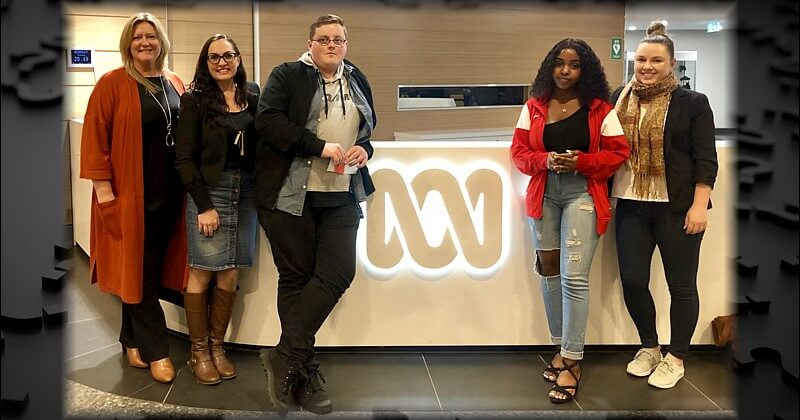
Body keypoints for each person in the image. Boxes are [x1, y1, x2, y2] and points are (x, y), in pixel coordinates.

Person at [254, 14, 375, 414]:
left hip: (341, 195)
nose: (332, 45)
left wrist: (365, 150)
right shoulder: (288, 74)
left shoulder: (356, 78)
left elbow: (365, 131)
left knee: (339, 272)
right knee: (297, 278)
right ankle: (303, 373)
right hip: (291, 196)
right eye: (323, 39)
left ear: (346, 44)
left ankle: (284, 354)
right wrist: (317, 146)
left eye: (339, 39)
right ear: (310, 43)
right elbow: (268, 121)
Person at [510, 38, 629, 403]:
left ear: (585, 70)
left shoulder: (600, 109)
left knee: (574, 277)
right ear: (550, 66)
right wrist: (545, 161)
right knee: (549, 273)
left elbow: (618, 153)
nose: (565, 71)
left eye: (574, 65)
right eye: (559, 64)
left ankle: (573, 360)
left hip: (583, 193)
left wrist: (582, 162)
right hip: (544, 193)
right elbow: (519, 152)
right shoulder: (534, 106)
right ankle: (561, 348)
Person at [80, 12, 188, 384]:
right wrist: (105, 197)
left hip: (171, 195)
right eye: (137, 36)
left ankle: (131, 341)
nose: (145, 42)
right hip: (130, 199)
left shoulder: (174, 81)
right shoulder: (112, 84)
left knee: (147, 272)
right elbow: (95, 143)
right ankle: (157, 350)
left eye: (151, 36)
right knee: (139, 273)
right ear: (128, 43)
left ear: (161, 42)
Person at [611, 21, 718, 389]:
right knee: (634, 281)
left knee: (681, 286)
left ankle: (676, 357)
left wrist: (700, 205)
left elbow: (706, 159)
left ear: (672, 64)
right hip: (631, 204)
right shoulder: (619, 99)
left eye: (657, 60)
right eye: (641, 59)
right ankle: (649, 347)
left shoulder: (692, 102)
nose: (647, 66)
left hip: (678, 207)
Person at [175, 34, 260, 385]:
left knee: (231, 271)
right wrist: (205, 206)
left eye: (228, 55)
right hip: (211, 192)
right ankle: (198, 352)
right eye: (214, 57)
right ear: (205, 62)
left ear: (238, 59)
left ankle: (217, 347)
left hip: (248, 194)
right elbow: (184, 159)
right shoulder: (194, 100)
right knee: (203, 270)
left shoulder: (253, 94)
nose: (221, 62)